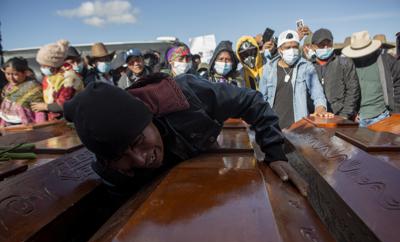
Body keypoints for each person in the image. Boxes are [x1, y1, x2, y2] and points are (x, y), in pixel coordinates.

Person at [64, 73, 302, 193]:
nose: (139, 159)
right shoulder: (107, 158)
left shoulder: (190, 95)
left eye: (138, 141)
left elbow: (252, 101)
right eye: (120, 156)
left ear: (149, 115)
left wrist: (275, 153)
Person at [259, 30, 331, 129]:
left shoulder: (306, 67)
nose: (292, 50)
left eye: (295, 47)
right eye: (288, 47)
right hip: (273, 127)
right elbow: (262, 98)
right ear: (280, 50)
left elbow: (317, 94)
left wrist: (320, 109)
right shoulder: (268, 68)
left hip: (298, 127)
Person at [342, 31, 400, 126]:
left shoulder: (386, 60)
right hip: (358, 119)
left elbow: (398, 84)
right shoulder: (348, 64)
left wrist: (396, 112)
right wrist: (351, 113)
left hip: (382, 116)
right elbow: (346, 91)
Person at [311, 28, 360, 119]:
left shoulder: (344, 63)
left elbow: (352, 90)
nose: (326, 48)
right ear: (313, 46)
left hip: (339, 115)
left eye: (328, 44)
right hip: (317, 116)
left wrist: (344, 115)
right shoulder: (308, 66)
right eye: (321, 45)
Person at [32, 39, 84, 121]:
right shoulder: (49, 77)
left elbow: (64, 104)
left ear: (53, 65)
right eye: (41, 66)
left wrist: (45, 106)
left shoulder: (70, 77)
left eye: (44, 66)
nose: (42, 68)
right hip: (55, 120)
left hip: (71, 120)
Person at [0, 57, 45, 126]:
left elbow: (39, 111)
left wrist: (41, 127)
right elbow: (4, 109)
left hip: (26, 125)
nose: (11, 78)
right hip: (7, 126)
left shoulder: (33, 87)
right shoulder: (7, 87)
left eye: (15, 74)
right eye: (8, 74)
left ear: (25, 73)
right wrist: (2, 125)